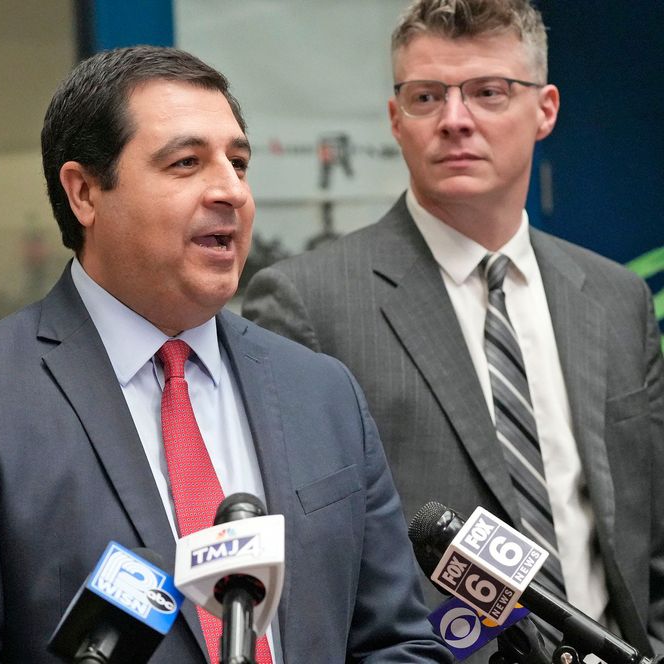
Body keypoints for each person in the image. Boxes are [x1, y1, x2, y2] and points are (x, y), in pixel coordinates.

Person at [0, 46, 451, 663]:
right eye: (187, 163)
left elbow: (397, 642)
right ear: (84, 192)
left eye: (240, 163)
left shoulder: (322, 392)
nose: (230, 190)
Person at [243, 0, 664, 660]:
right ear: (395, 119)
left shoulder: (617, 299)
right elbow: (305, 569)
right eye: (426, 96)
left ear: (545, 109)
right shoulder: (307, 304)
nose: (455, 119)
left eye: (489, 93)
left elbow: (652, 536)